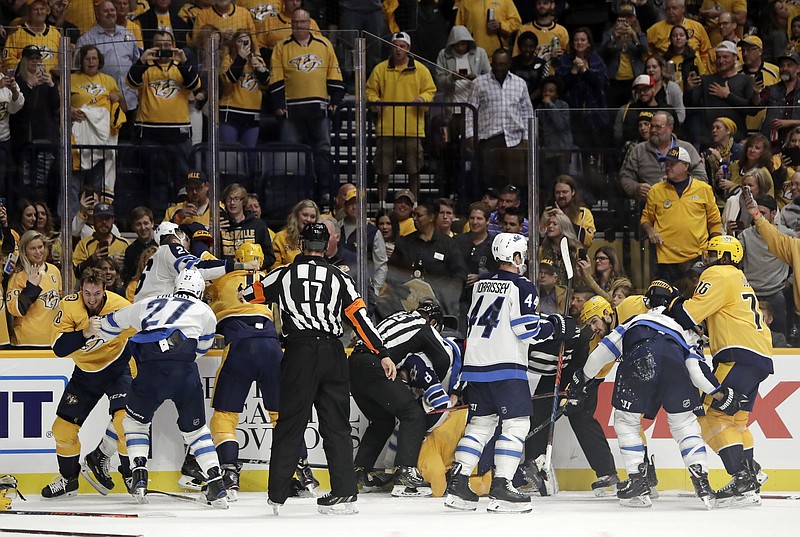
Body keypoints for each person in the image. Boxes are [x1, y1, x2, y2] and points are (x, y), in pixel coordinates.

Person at [240, 223, 394, 515]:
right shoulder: (340, 277)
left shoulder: (283, 274)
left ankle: (277, 494)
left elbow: (248, 295)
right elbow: (360, 319)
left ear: (301, 244)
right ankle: (345, 493)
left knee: (291, 423)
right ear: (327, 247)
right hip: (333, 353)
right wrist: (382, 352)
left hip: (299, 351)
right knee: (336, 425)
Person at [444, 232, 572, 513]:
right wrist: (556, 327)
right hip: (506, 367)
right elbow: (526, 330)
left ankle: (458, 480)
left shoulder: (480, 284)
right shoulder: (523, 286)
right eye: (522, 254)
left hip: (475, 366)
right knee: (516, 425)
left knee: (480, 425)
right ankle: (502, 485)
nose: (524, 258)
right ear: (516, 257)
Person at [566, 280, 721, 508]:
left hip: (641, 358)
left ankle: (638, 481)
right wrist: (717, 393)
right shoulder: (686, 330)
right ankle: (703, 481)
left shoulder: (636, 319)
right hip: (675, 367)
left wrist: (581, 380)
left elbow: (601, 353)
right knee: (684, 425)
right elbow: (697, 371)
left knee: (627, 422)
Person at [98, 269, 229, 508]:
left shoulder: (149, 302)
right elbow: (201, 348)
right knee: (197, 432)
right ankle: (217, 485)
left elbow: (109, 324)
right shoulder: (205, 311)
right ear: (199, 290)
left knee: (135, 423)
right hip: (185, 372)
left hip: (150, 371)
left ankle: (139, 478)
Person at [669, 233, 774, 508]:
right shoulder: (740, 279)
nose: (708, 258)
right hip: (759, 355)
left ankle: (741, 477)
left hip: (737, 354)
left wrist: (672, 304)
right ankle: (750, 474)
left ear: (726, 257)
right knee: (737, 421)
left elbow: (690, 314)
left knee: (712, 414)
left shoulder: (718, 274)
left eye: (714, 253)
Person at [43, 267, 133, 498]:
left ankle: (130, 474)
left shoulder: (121, 306)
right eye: (87, 293)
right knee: (62, 431)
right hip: (85, 374)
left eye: (96, 293)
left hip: (117, 368)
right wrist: (84, 332)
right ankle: (69, 480)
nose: (91, 299)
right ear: (80, 290)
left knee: (125, 422)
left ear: (105, 290)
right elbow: (59, 348)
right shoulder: (69, 306)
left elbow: (141, 334)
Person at [204, 243, 282, 501]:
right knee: (281, 414)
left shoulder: (220, 277)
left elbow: (200, 264)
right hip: (272, 345)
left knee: (225, 415)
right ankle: (301, 470)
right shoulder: (271, 278)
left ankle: (229, 471)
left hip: (239, 344)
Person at [350, 301, 450, 497]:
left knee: (382, 420)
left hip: (354, 365)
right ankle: (406, 471)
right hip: (375, 365)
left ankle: (360, 472)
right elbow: (442, 359)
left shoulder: (397, 316)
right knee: (413, 414)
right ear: (433, 321)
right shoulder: (423, 326)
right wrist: (425, 386)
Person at [270, 8, 343, 199]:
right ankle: (293, 193)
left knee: (323, 150)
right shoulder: (282, 47)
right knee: (290, 154)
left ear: (310, 23)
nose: (300, 25)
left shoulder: (324, 44)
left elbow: (333, 73)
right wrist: (278, 103)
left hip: (318, 110)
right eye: (296, 22)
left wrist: (335, 99)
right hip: (291, 111)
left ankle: (325, 191)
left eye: (303, 22)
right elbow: (276, 77)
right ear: (291, 24)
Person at [127, 29, 201, 217]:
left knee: (183, 180)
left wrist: (184, 63)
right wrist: (142, 61)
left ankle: (187, 217)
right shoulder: (147, 67)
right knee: (156, 179)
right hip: (151, 133)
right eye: (159, 45)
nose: (163, 49)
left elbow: (195, 86)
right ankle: (160, 217)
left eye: (167, 45)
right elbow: (131, 82)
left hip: (179, 133)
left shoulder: (181, 66)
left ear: (174, 45)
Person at [366, 32, 436, 203]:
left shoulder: (421, 70)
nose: (398, 50)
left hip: (412, 129)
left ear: (408, 49)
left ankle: (415, 203)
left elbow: (430, 90)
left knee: (414, 171)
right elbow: (370, 90)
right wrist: (375, 101)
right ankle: (382, 204)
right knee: (383, 171)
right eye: (395, 46)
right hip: (387, 128)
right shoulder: (380, 69)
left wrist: (422, 99)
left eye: (402, 46)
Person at [641, 146, 722, 283]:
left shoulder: (703, 189)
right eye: (666, 164)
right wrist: (650, 229)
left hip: (696, 256)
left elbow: (714, 221)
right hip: (665, 258)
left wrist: (715, 249)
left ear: (686, 166)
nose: (668, 167)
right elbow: (646, 218)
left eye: (672, 164)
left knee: (696, 298)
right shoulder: (656, 190)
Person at [388, 198, 467, 316]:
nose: (414, 219)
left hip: (439, 304)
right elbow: (392, 272)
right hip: (407, 304)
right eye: (413, 215)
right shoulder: (404, 243)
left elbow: (459, 273)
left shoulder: (448, 244)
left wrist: (448, 294)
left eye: (418, 216)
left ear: (431, 217)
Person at [69, 44, 125, 207]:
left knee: (97, 185)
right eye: (87, 58)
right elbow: (58, 105)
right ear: (81, 60)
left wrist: (117, 98)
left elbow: (124, 108)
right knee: (73, 184)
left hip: (102, 142)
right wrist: (70, 110)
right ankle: (71, 220)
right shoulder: (71, 79)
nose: (91, 61)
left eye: (94, 58)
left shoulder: (108, 80)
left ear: (99, 60)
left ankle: (97, 217)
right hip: (79, 139)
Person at [76, 1, 141, 131]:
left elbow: (136, 63)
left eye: (112, 10)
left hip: (131, 100)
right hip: (104, 104)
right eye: (105, 11)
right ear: (97, 15)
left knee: (131, 145)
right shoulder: (86, 39)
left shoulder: (128, 34)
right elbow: (79, 70)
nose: (110, 13)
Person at [619, 111, 707, 202]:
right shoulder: (638, 150)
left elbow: (702, 178)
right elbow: (625, 177)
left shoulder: (686, 148)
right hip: (650, 206)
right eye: (652, 126)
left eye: (658, 127)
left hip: (682, 206)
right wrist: (636, 188)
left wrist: (679, 181)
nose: (653, 130)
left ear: (670, 128)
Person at [9, 46, 59, 206]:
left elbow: (56, 107)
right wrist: (28, 86)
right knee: (25, 183)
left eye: (38, 59)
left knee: (42, 183)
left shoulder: (46, 84)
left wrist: (51, 85)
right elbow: (18, 110)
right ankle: (25, 216)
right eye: (31, 59)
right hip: (24, 143)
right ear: (24, 61)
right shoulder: (17, 83)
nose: (35, 62)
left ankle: (43, 218)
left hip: (45, 141)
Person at [739, 195, 792, 337]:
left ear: (774, 213)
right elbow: (736, 261)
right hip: (751, 293)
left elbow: (796, 260)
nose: (757, 216)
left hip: (776, 293)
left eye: (762, 213)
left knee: (780, 337)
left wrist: (790, 282)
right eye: (756, 212)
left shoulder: (786, 235)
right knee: (747, 336)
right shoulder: (745, 235)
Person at [684, 41, 754, 146]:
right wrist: (689, 89)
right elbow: (691, 105)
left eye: (725, 57)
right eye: (718, 57)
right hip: (709, 141)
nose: (721, 61)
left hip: (736, 139)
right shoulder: (705, 80)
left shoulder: (746, 80)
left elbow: (752, 110)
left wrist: (728, 96)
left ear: (735, 57)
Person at [555, 27, 609, 150]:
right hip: (572, 113)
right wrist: (573, 71)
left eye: (583, 40)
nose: (579, 43)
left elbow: (602, 83)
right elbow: (559, 87)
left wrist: (584, 71)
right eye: (576, 40)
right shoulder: (564, 61)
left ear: (589, 43)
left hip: (595, 113)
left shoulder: (597, 60)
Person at [6, 230, 61, 347]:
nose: (38, 252)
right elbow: (14, 310)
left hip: (52, 340)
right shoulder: (18, 275)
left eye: (40, 247)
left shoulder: (54, 271)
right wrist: (31, 287)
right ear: (24, 251)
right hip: (26, 342)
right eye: (32, 248)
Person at [218, 29, 269, 149]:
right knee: (230, 153)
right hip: (231, 112)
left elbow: (266, 84)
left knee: (249, 152)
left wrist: (261, 69)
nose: (243, 44)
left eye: (246, 41)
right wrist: (240, 59)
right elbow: (229, 80)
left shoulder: (257, 60)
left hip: (252, 113)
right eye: (239, 41)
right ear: (234, 43)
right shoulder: (229, 60)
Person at [598, 4, 649, 108]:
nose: (626, 20)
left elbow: (645, 49)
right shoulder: (609, 33)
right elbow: (600, 51)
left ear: (634, 18)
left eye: (629, 17)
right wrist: (614, 37)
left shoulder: (640, 34)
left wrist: (634, 36)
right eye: (623, 17)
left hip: (633, 80)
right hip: (614, 81)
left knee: (632, 110)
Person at [753, 48, 800, 153]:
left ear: (798, 69)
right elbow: (756, 106)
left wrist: (788, 123)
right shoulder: (770, 89)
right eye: (782, 65)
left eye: (789, 65)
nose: (785, 68)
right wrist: (756, 93)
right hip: (772, 146)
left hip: (796, 146)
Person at [219, 183, 275, 269]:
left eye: (236, 199)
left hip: (253, 274)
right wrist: (213, 235)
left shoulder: (258, 225)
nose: (232, 203)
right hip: (228, 276)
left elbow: (270, 257)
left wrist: (258, 265)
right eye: (229, 199)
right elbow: (212, 257)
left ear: (243, 201)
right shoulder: (220, 224)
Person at [647, 0, 712, 70]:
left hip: (694, 71)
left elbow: (706, 53)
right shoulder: (653, 30)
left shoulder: (697, 27)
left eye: (674, 8)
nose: (671, 12)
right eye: (667, 9)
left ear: (683, 8)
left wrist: (703, 72)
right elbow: (648, 55)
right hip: (666, 72)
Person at [2, 0, 62, 74]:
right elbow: (7, 62)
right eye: (35, 9)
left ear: (47, 11)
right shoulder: (16, 32)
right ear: (29, 12)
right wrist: (27, 66)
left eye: (42, 9)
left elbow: (62, 60)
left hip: (51, 82)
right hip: (25, 83)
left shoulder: (55, 32)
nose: (39, 12)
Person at [72, 202, 129, 278]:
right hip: (93, 288)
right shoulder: (83, 244)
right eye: (100, 218)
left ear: (113, 220)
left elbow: (134, 273)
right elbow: (77, 273)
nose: (104, 222)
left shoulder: (125, 244)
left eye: (107, 218)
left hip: (119, 288)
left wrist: (125, 263)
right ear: (94, 220)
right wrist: (92, 259)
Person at [513, 0, 569, 73]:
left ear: (552, 5)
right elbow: (515, 57)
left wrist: (561, 55)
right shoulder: (524, 29)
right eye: (539, 3)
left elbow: (568, 58)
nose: (541, 6)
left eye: (545, 3)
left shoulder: (561, 31)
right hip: (530, 76)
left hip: (553, 78)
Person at [454, 0, 521, 56]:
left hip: (498, 56)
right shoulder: (465, 2)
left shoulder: (505, 1)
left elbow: (517, 23)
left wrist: (501, 25)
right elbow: (458, 29)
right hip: (473, 55)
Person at [271, 199, 319, 269]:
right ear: (296, 216)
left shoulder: (319, 239)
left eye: (312, 217)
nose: (308, 219)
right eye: (305, 215)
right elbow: (274, 266)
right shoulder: (280, 238)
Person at [721, 169, 772, 234]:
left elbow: (773, 230)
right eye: (744, 184)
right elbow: (723, 228)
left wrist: (745, 227)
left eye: (750, 185)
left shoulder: (769, 204)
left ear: (760, 187)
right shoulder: (732, 201)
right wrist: (729, 230)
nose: (746, 188)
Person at [645, 54, 686, 124]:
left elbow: (681, 114)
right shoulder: (642, 88)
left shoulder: (673, 87)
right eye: (648, 67)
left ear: (661, 68)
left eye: (654, 67)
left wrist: (669, 126)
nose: (651, 70)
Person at [663, 25, 706, 92]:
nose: (678, 38)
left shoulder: (694, 57)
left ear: (686, 39)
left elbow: (702, 78)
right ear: (671, 39)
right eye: (675, 36)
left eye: (682, 35)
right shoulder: (665, 59)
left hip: (689, 95)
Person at [122, 206, 156, 284]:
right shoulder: (131, 250)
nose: (143, 228)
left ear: (152, 223)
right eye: (138, 224)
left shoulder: (161, 245)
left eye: (146, 223)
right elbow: (128, 278)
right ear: (133, 227)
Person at [511, 32, 547, 99]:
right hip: (515, 99)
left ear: (535, 47)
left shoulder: (542, 64)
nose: (528, 50)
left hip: (536, 103)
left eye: (531, 47)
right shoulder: (511, 63)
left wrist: (529, 100)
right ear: (519, 46)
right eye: (524, 46)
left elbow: (543, 86)